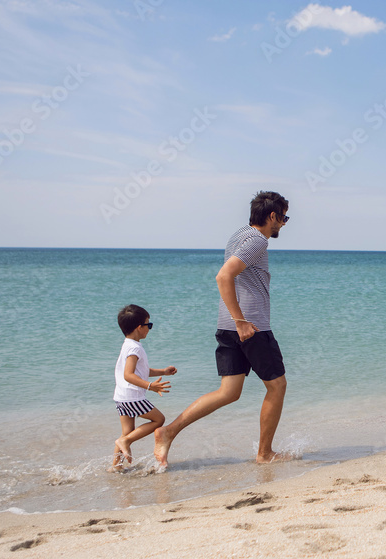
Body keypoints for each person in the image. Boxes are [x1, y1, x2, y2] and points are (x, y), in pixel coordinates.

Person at [154, 191, 293, 470]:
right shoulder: (257, 240)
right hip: (251, 327)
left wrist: (235, 321)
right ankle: (264, 453)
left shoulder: (237, 236)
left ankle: (168, 432)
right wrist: (242, 321)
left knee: (228, 392)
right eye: (284, 218)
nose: (284, 224)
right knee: (277, 386)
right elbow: (223, 275)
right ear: (272, 216)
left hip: (228, 326)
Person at [112, 304, 177, 471]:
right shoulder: (134, 348)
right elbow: (129, 375)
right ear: (139, 327)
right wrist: (150, 386)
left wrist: (163, 372)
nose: (150, 328)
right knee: (159, 420)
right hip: (133, 396)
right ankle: (125, 443)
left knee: (127, 432)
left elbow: (141, 371)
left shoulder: (127, 344)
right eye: (149, 325)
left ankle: (116, 467)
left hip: (121, 396)